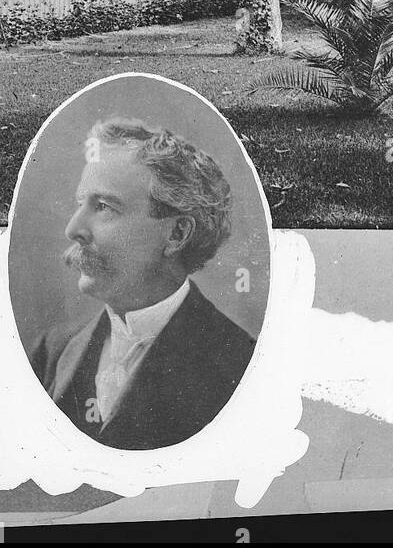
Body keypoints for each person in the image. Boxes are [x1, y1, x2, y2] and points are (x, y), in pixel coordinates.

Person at [30, 117, 255, 450]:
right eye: (82, 204)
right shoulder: (51, 350)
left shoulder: (240, 365)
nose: (74, 228)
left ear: (177, 234)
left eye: (103, 207)